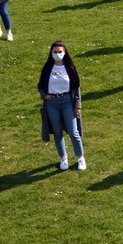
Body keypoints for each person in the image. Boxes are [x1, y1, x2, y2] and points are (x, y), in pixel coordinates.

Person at [37, 41, 86, 171]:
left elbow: (76, 88)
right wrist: (44, 95)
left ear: (64, 52)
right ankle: (63, 157)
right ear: (51, 53)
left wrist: (78, 106)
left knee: (73, 131)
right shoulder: (48, 68)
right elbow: (40, 86)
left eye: (60, 52)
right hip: (52, 103)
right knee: (57, 133)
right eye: (55, 52)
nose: (58, 54)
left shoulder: (69, 68)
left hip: (67, 101)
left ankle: (80, 157)